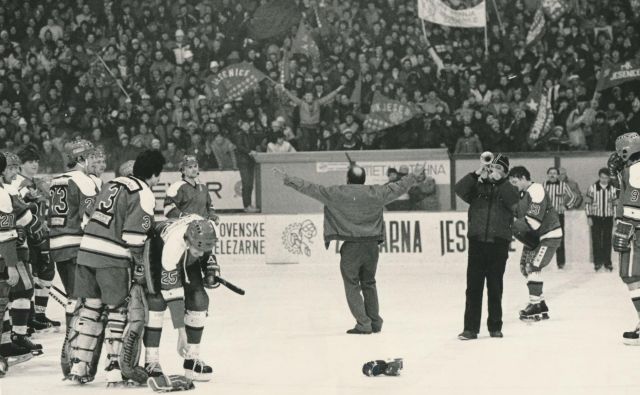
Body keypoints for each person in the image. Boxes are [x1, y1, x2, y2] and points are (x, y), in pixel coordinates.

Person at [275, 161, 425, 334]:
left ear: (348, 179)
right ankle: (375, 322)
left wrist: (287, 179)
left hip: (351, 247)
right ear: (364, 179)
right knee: (369, 283)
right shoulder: (376, 192)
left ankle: (363, 323)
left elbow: (311, 188)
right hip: (372, 246)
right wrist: (413, 176)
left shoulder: (336, 193)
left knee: (352, 284)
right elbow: (399, 187)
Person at [67, 150, 165, 386]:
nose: (157, 180)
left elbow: (88, 215)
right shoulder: (144, 192)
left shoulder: (112, 183)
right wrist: (141, 267)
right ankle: (113, 368)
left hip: (86, 252)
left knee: (90, 308)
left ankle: (79, 365)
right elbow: (133, 237)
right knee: (117, 311)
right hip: (112, 259)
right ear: (153, 174)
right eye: (158, 176)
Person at [144, 215, 219, 381]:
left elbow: (207, 251)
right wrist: (181, 333)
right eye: (197, 249)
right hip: (157, 253)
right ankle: (151, 360)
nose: (201, 254)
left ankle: (192, 358)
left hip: (186, 258)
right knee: (156, 302)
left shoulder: (210, 228)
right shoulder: (173, 246)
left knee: (199, 300)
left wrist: (211, 270)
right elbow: (173, 293)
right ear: (188, 241)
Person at [454, 154, 519, 340]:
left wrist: (502, 182)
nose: (494, 171)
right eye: (493, 167)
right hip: (477, 241)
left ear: (506, 172)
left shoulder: (509, 188)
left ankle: (495, 326)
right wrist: (476, 173)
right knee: (473, 287)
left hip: (499, 242)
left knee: (495, 286)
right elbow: (459, 189)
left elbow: (516, 205)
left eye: (499, 168)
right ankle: (470, 328)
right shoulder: (477, 186)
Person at [48, 140, 99, 334]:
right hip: (75, 245)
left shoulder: (56, 180)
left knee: (72, 295)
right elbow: (90, 218)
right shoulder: (84, 180)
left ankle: (72, 339)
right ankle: (75, 342)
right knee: (81, 296)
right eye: (91, 156)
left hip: (57, 244)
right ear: (80, 158)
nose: (94, 160)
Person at [1, 151, 47, 354]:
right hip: (11, 250)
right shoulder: (6, 192)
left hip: (14, 248)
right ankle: (16, 337)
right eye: (9, 168)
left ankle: (8, 341)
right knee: (21, 290)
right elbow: (9, 229)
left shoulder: (8, 189)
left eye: (14, 168)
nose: (13, 172)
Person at [509, 166, 563, 322]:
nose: (513, 185)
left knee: (533, 265)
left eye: (515, 181)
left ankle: (535, 304)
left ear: (524, 178)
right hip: (535, 238)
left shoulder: (536, 189)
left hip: (549, 236)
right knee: (525, 267)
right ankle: (540, 304)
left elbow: (533, 222)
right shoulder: (521, 194)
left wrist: (510, 224)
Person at [13, 147, 58, 332]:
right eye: (30, 161)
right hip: (27, 236)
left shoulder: (36, 182)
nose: (34, 164)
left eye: (36, 161)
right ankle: (28, 317)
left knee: (45, 272)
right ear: (21, 164)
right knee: (31, 275)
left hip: (40, 233)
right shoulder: (20, 183)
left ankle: (38, 314)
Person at [607, 133, 640, 344]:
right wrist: (617, 175)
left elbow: (634, 198)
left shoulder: (636, 168)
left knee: (631, 275)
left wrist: (625, 225)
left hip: (636, 228)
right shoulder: (633, 169)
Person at [164, 155, 219, 222]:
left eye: (195, 166)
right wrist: (184, 217)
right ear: (183, 171)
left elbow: (210, 206)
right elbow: (168, 209)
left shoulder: (203, 187)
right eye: (190, 167)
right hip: (184, 229)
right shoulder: (176, 187)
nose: (194, 169)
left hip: (204, 228)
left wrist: (213, 216)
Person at [543, 167, 577, 269]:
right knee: (545, 238)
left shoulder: (563, 185)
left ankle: (561, 263)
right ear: (547, 174)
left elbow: (573, 196)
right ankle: (545, 262)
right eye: (550, 173)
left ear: (558, 175)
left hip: (558, 215)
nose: (552, 175)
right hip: (546, 216)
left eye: (554, 173)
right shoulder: (543, 185)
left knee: (559, 239)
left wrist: (566, 206)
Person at [585, 168, 617, 272]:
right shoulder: (592, 188)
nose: (604, 180)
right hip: (596, 218)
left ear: (609, 178)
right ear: (599, 177)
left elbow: (615, 205)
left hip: (608, 218)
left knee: (607, 240)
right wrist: (589, 216)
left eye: (606, 178)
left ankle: (608, 263)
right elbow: (587, 203)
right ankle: (598, 262)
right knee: (596, 241)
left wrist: (616, 218)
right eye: (602, 177)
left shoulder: (612, 189)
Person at [231, 120, 258, 213]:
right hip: (243, 161)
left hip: (250, 161)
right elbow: (239, 146)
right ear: (241, 126)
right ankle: (246, 205)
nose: (246, 126)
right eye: (244, 124)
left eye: (247, 124)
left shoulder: (250, 135)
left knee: (250, 184)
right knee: (246, 184)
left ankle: (249, 205)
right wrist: (249, 151)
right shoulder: (240, 135)